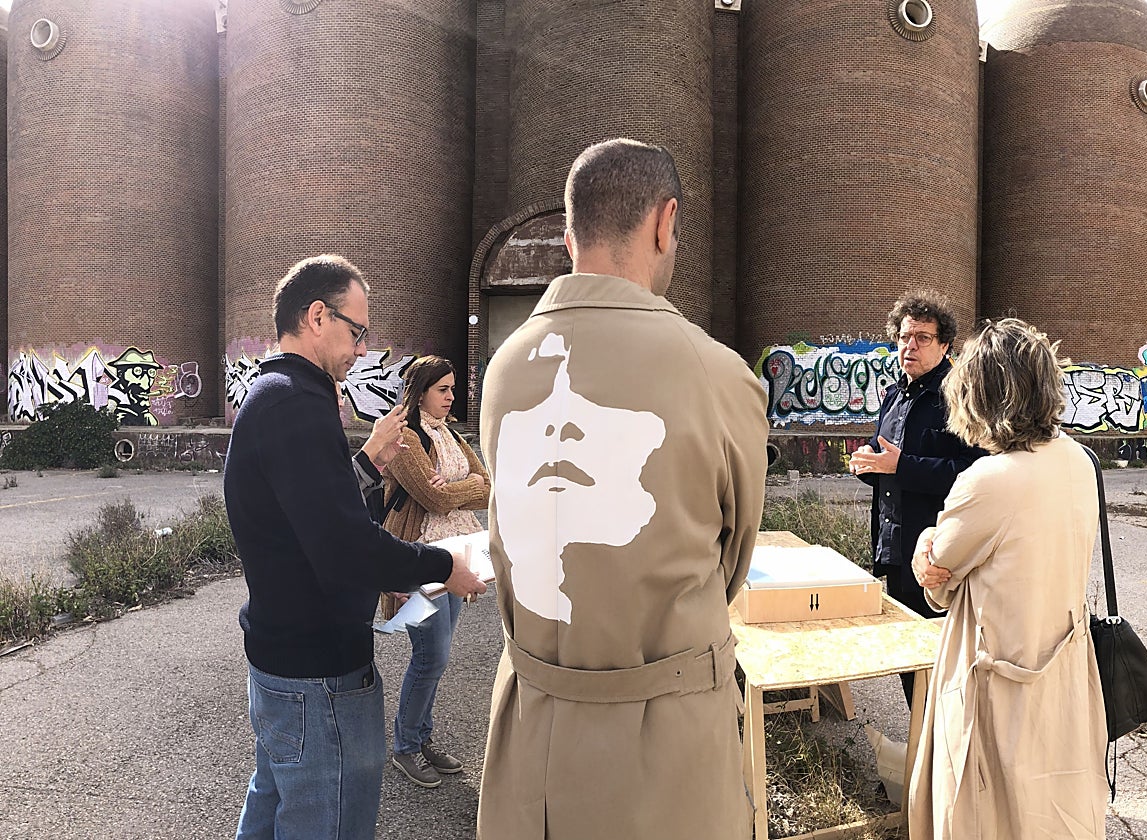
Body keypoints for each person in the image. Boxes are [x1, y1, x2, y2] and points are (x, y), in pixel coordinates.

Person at [476, 138, 768, 840]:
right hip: (665, 748)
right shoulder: (718, 373)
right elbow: (732, 559)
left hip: (534, 729)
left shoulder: (504, 368)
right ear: (666, 223)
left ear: (570, 237)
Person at [223, 254, 486, 840]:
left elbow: (306, 515)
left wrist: (366, 462)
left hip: (283, 664)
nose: (363, 349)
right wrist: (446, 565)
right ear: (318, 316)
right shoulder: (297, 403)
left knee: (270, 811)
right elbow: (344, 546)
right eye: (357, 330)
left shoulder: (273, 394)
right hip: (318, 675)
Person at [908, 318, 1107, 839]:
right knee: (1057, 808)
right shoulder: (1078, 460)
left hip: (997, 682)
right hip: (1062, 666)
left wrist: (926, 541)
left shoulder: (988, 482)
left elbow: (938, 584)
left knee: (989, 813)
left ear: (981, 398)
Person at [849, 292, 987, 705]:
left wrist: (901, 466)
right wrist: (868, 466)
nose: (911, 346)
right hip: (895, 546)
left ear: (945, 345)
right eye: (905, 336)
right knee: (911, 659)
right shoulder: (894, 396)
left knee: (944, 663)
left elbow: (975, 473)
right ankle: (921, 753)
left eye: (923, 338)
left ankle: (945, 756)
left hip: (939, 556)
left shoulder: (960, 396)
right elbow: (886, 464)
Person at [376, 355, 490, 788]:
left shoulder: (450, 435)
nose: (451, 396)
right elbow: (432, 498)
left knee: (436, 658)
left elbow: (487, 486)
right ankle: (406, 747)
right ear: (420, 391)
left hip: (457, 556)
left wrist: (463, 488)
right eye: (442, 389)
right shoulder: (406, 438)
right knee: (431, 656)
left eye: (452, 389)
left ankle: (420, 739)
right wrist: (467, 489)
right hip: (420, 558)